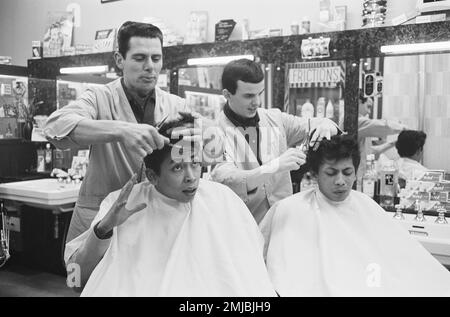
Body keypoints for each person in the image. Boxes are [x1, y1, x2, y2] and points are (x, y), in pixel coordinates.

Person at [64, 115, 277, 297]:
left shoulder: (221, 199)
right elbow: (76, 280)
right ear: (152, 176)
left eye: (195, 164)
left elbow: (250, 265)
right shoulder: (121, 204)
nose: (191, 177)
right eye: (177, 168)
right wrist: (105, 228)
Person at [45, 21, 201, 243]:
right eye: (139, 58)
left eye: (156, 58)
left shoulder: (177, 106)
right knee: (84, 275)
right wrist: (120, 130)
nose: (150, 66)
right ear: (120, 60)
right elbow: (55, 126)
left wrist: (205, 141)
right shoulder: (99, 98)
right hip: (100, 216)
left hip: (154, 219)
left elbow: (214, 144)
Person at [260, 134, 450, 296]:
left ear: (355, 173)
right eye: (331, 173)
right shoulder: (289, 209)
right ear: (316, 174)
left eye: (347, 172)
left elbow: (399, 258)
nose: (340, 181)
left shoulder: (367, 206)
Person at [211, 58, 340, 223]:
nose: (256, 102)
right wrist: (274, 166)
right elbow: (227, 180)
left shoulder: (275, 118)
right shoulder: (213, 133)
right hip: (244, 227)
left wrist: (325, 123)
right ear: (227, 94)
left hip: (284, 223)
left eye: (260, 93)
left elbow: (313, 124)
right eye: (249, 96)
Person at [357, 90, 407, 185]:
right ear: (359, 101)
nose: (369, 111)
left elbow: (371, 153)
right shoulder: (353, 121)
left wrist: (394, 143)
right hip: (357, 179)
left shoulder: (362, 127)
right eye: (368, 107)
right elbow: (380, 126)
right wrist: (403, 128)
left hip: (364, 179)